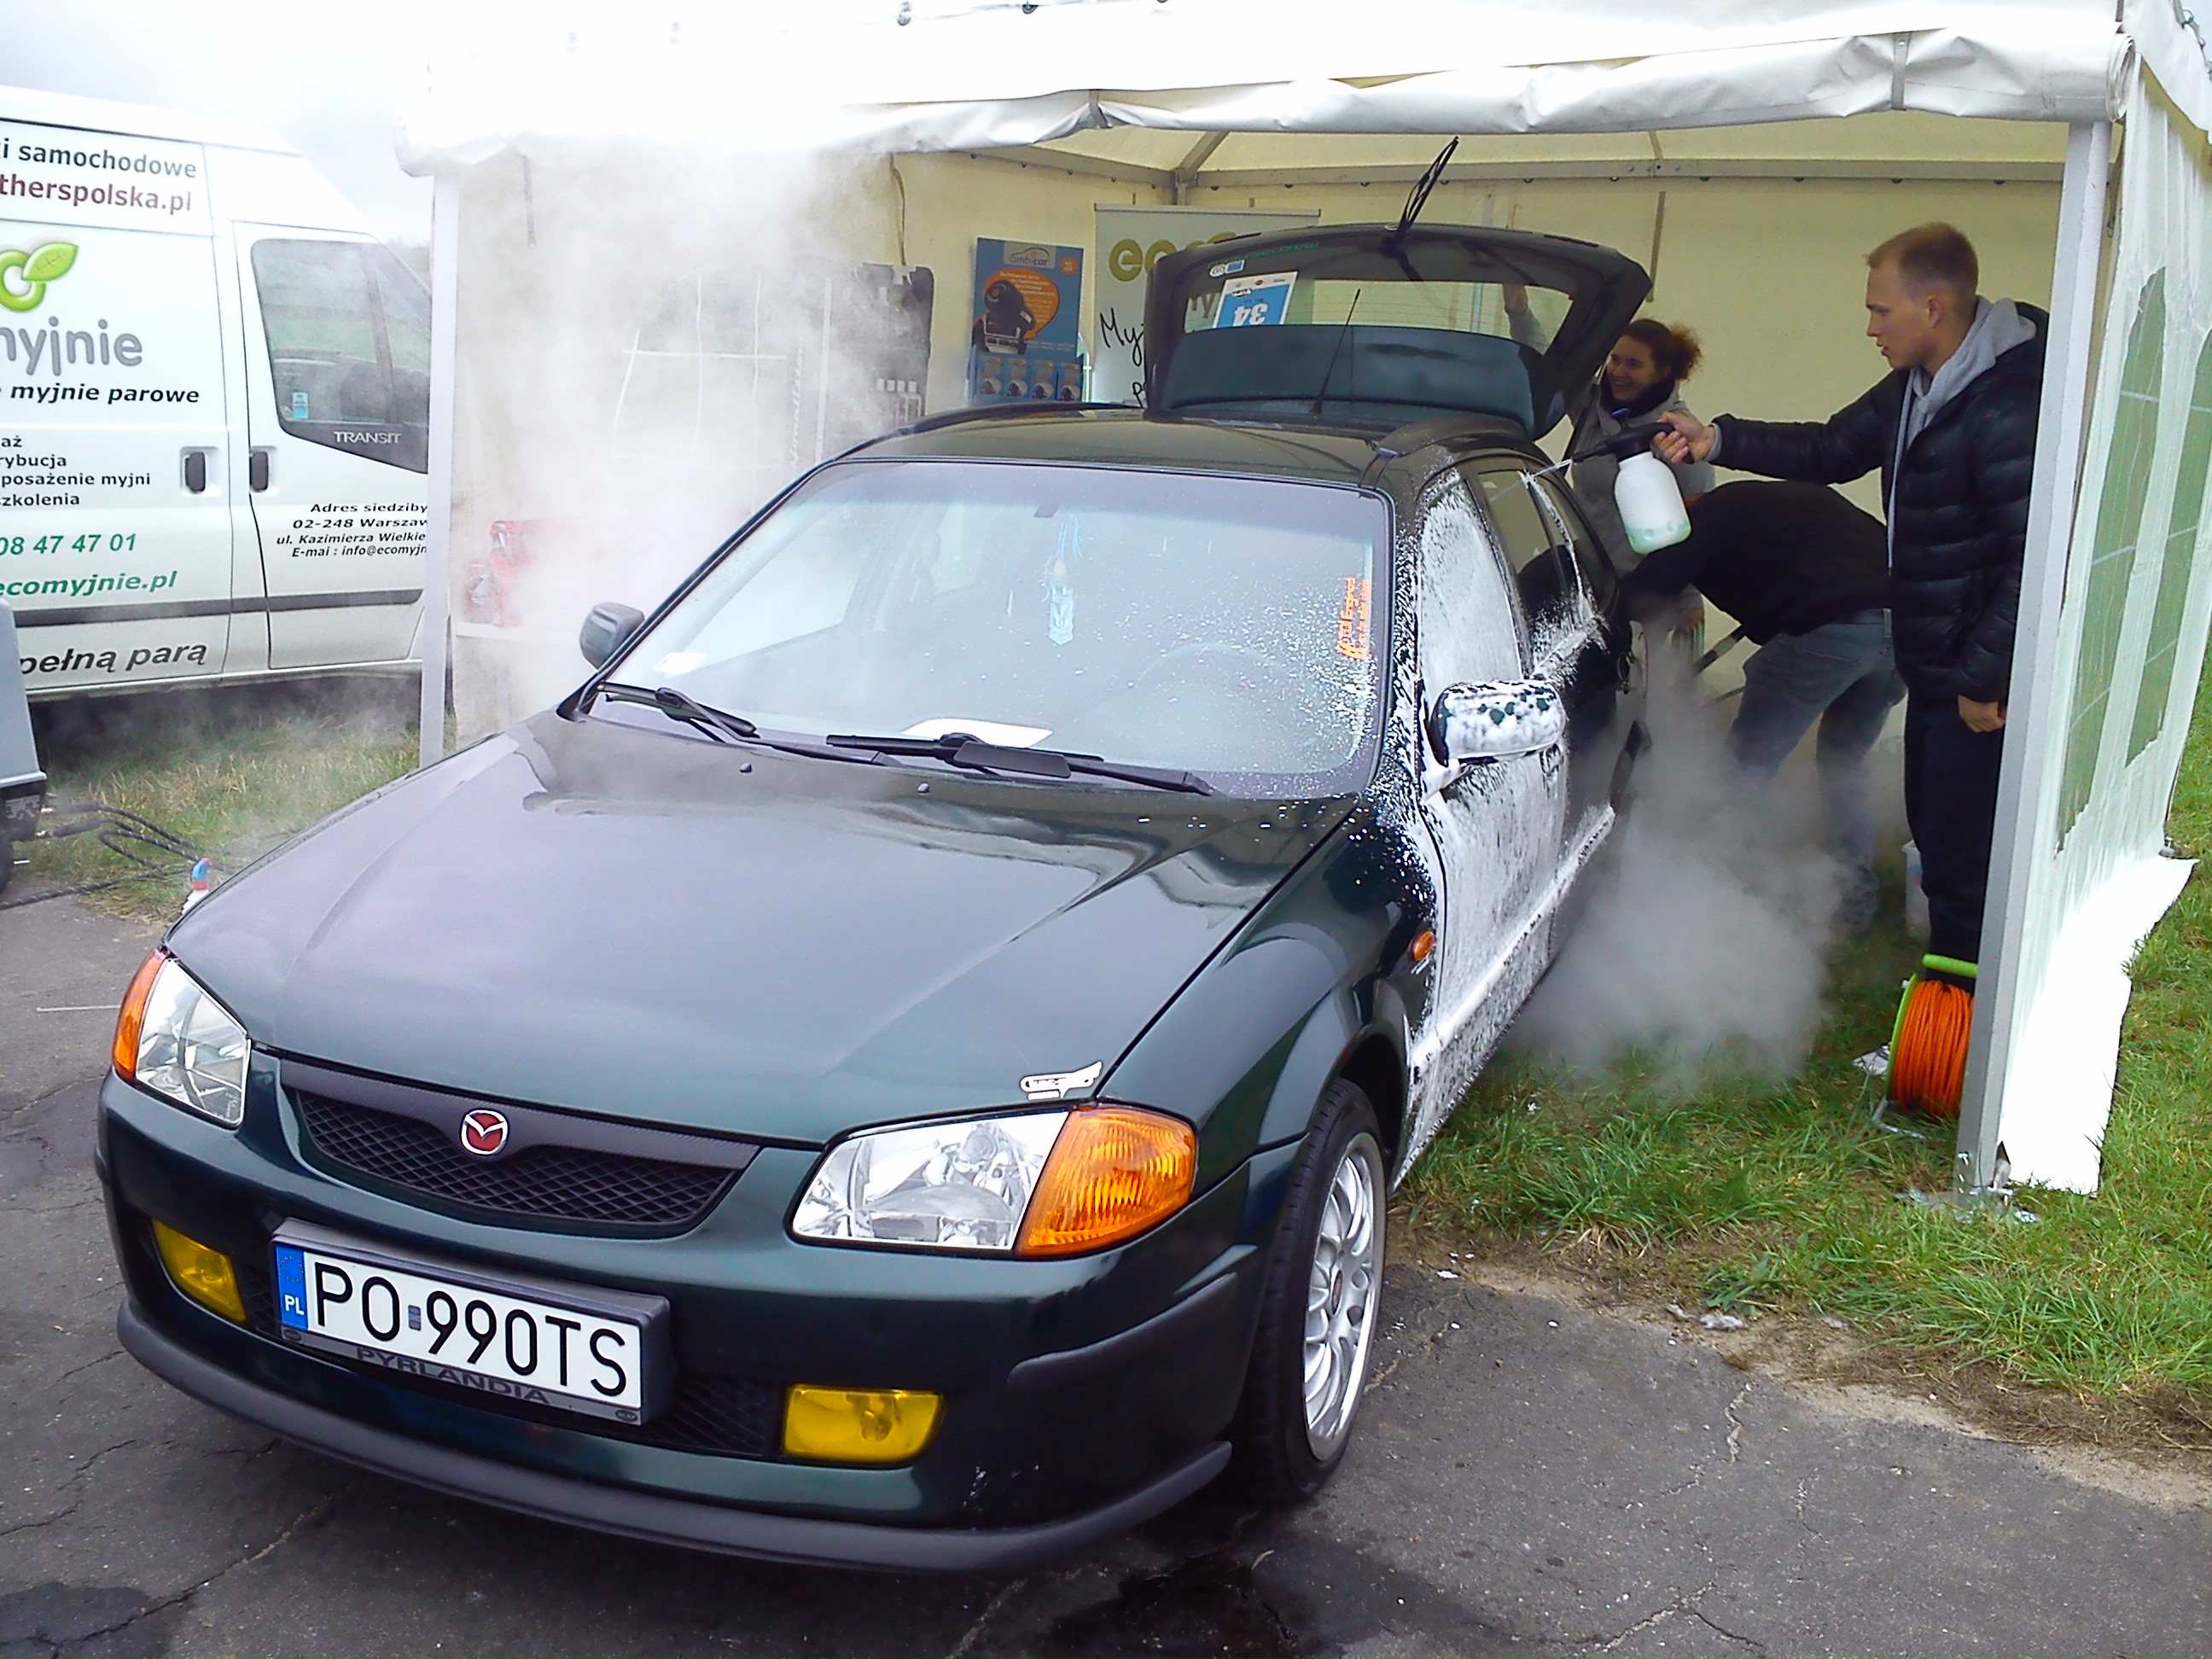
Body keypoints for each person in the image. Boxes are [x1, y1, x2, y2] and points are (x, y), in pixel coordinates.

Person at [1656, 223, 2041, 975]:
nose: (1870, 329)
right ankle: (1943, 999)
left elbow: (2034, 555)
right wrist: (1717, 440)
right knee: (1938, 835)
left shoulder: (2007, 407)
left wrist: (1984, 676)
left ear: (1934, 308)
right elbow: (1830, 448)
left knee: (1964, 857)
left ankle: (1961, 1016)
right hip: (1926, 656)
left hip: (1971, 672)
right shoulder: (1916, 387)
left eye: (1880, 311)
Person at [1626, 481, 1904, 930]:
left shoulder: (1699, 521)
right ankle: (1855, 906)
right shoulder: (1782, 500)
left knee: (1746, 765)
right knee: (1844, 764)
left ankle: (1729, 896)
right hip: (1903, 632)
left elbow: (1643, 596)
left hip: (1831, 629)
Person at [1505, 290, 1715, 570]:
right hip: (1586, 567)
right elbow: (1548, 363)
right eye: (1615, 359)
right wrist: (1518, 310)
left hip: (1646, 581)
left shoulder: (1678, 435)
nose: (1617, 372)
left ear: (1662, 373)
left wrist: (1673, 590)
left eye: (1634, 364)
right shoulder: (1592, 405)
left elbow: (1701, 522)